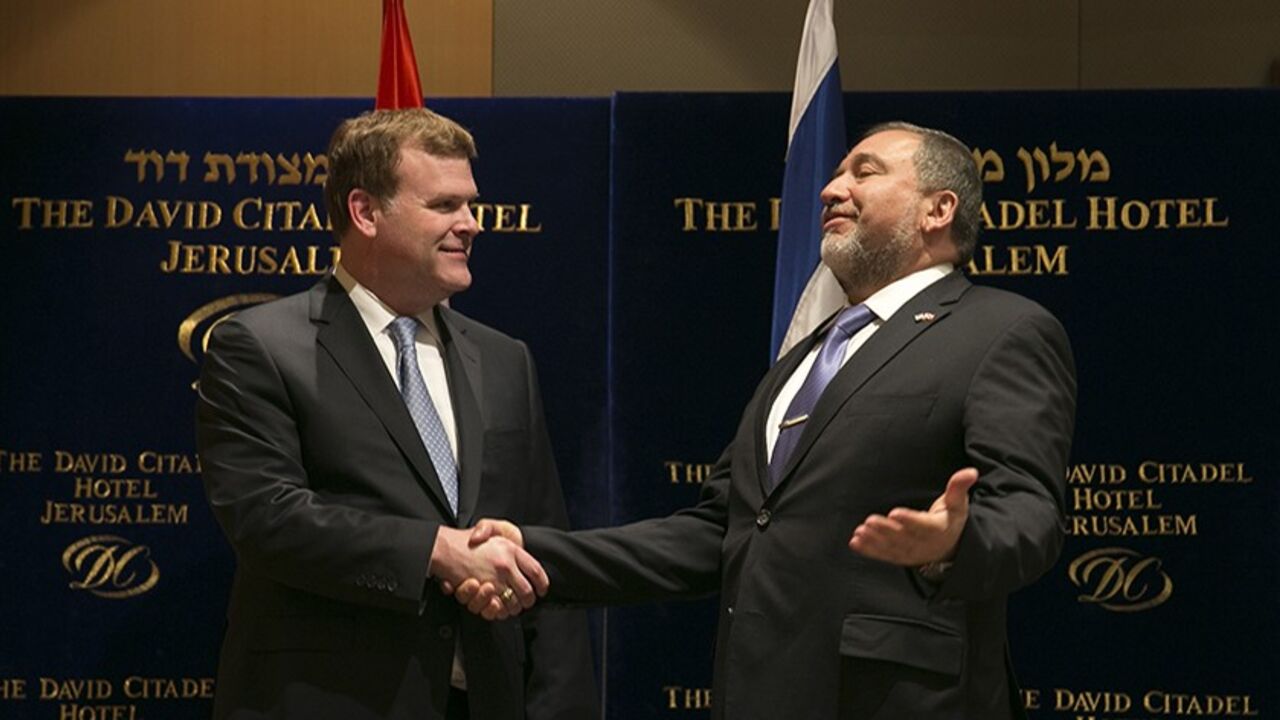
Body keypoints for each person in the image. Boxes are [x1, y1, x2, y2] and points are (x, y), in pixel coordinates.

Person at [459, 122, 1076, 719]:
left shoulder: (1002, 330)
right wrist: (535, 552)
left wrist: (954, 544)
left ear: (937, 210)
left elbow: (1028, 511)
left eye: (865, 172)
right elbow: (718, 534)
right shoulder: (805, 358)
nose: (832, 190)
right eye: (834, 175)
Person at [196, 108, 598, 720]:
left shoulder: (504, 358)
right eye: (444, 205)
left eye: (470, 204)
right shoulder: (260, 347)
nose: (471, 224)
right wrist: (435, 550)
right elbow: (267, 519)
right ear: (365, 212)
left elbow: (543, 543)